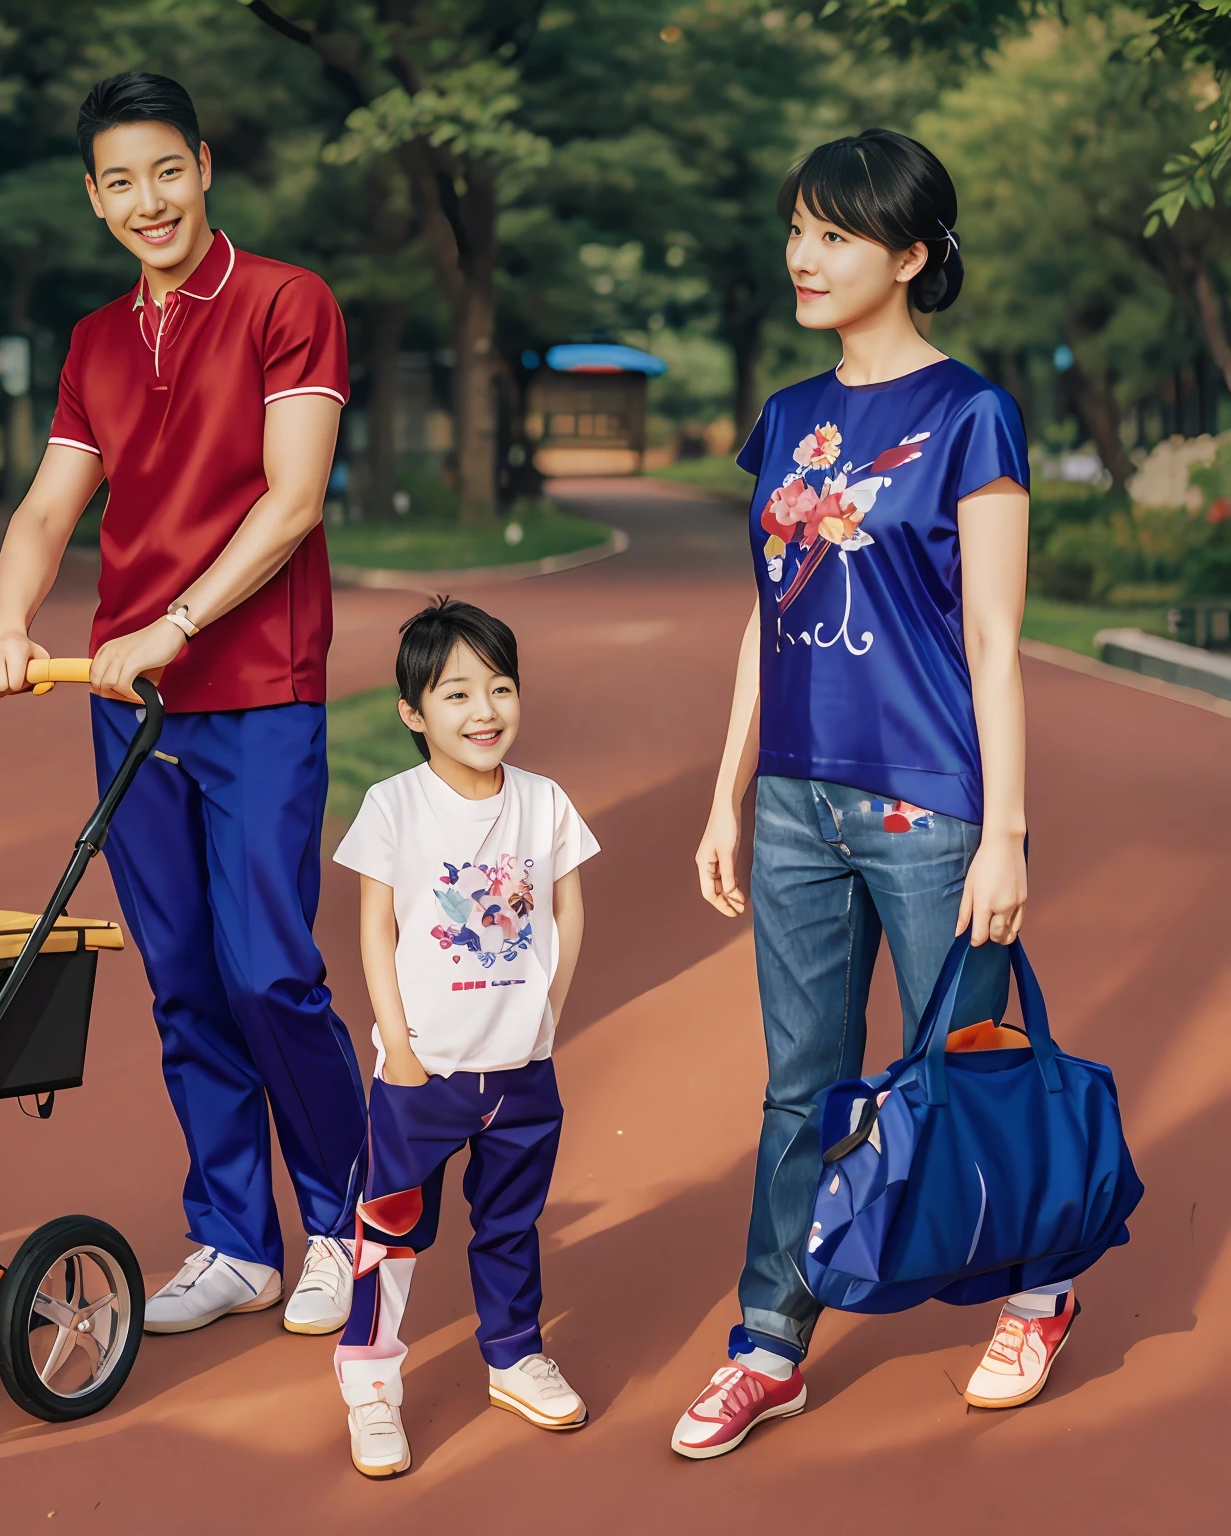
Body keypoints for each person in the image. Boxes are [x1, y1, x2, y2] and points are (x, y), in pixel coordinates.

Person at [673, 129, 1069, 1461]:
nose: (804, 253)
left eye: (835, 234)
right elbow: (763, 618)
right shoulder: (787, 418)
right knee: (803, 1087)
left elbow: (994, 645)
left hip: (928, 806)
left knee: (962, 1065)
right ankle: (769, 1344)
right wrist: (729, 793)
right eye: (798, 226)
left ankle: (1039, 1284)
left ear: (908, 254)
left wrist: (1003, 833)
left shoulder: (973, 416)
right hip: (794, 801)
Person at [0, 72, 367, 1336]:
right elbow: (46, 508)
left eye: (166, 171)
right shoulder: (92, 343)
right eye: (119, 182)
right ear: (94, 200)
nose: (149, 201)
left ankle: (348, 1224)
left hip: (253, 690)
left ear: (204, 165)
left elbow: (291, 500)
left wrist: (175, 625)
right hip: (124, 699)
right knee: (183, 979)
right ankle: (236, 1241)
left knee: (268, 974)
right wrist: (5, 628)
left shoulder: (286, 302)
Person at [330, 600, 597, 1478]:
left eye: (501, 687)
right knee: (390, 1232)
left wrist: (547, 1015)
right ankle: (370, 1385)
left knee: (512, 1223)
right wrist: (398, 1049)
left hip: (522, 1071)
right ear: (414, 713)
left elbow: (567, 907)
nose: (484, 711)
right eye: (456, 694)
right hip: (424, 1073)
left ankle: (514, 1355)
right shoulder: (393, 806)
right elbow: (373, 930)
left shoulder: (545, 802)